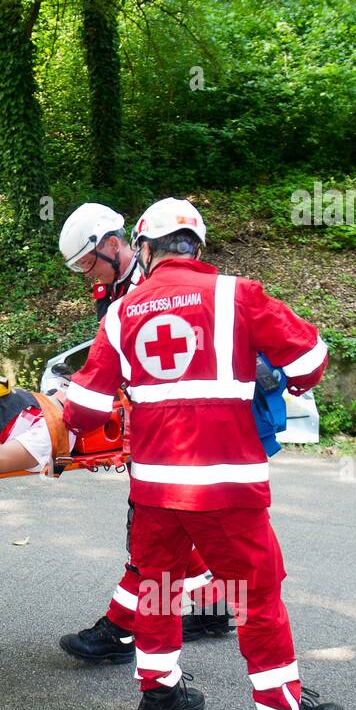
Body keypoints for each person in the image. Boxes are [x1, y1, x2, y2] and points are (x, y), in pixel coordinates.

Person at [62, 197, 346, 710]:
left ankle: (158, 691)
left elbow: (84, 409)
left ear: (144, 248)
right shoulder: (239, 295)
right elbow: (311, 361)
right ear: (198, 246)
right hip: (226, 485)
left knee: (158, 586)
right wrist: (274, 379)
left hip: (153, 486)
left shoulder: (121, 312)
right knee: (257, 595)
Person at [56, 203, 231, 663]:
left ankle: (121, 629)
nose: (86, 274)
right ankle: (211, 606)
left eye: (88, 262)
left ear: (115, 245)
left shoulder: (157, 287)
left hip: (170, 431)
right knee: (175, 521)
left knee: (150, 528)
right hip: (155, 426)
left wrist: (72, 419)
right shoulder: (112, 289)